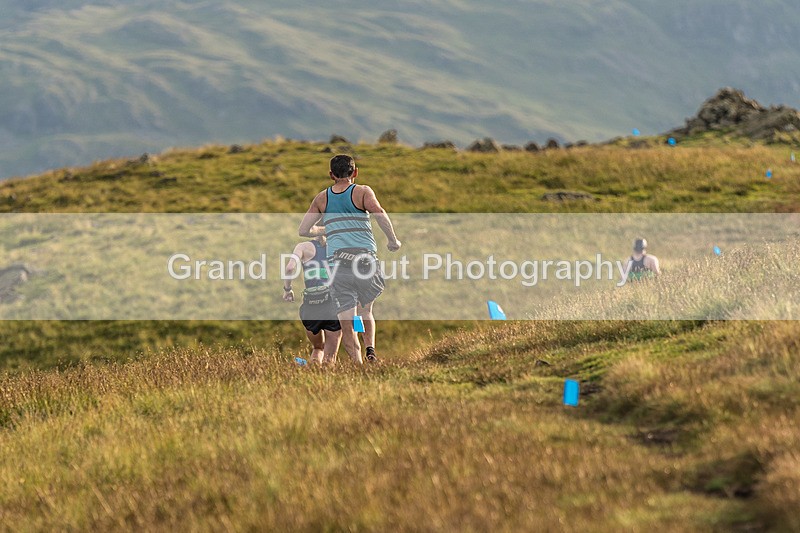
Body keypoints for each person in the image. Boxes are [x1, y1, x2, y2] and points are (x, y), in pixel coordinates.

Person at [298, 154, 401, 364]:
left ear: (331, 175)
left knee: (347, 322)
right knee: (365, 311)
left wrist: (327, 229)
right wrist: (393, 240)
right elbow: (379, 213)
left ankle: (357, 363)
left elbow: (303, 230)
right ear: (355, 172)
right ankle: (370, 349)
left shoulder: (322, 198)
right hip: (365, 262)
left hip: (339, 267)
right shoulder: (363, 192)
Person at [282, 235, 342, 364]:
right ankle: (326, 382)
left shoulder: (303, 247)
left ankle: (311, 375)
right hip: (332, 303)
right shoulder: (340, 245)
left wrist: (287, 290)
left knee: (318, 348)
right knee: (330, 358)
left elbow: (289, 268)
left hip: (310, 305)